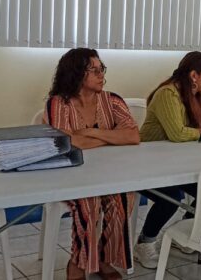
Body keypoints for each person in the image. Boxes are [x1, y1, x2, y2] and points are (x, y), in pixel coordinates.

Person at [45, 48, 140, 280]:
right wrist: (110, 137)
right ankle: (78, 264)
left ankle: (104, 260)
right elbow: (67, 143)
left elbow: (132, 136)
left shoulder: (112, 100)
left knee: (124, 198)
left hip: (107, 173)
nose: (101, 75)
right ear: (76, 73)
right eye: (94, 70)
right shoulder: (58, 103)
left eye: (101, 69)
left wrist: (90, 132)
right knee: (90, 202)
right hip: (70, 174)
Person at [134, 51, 201, 269]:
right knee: (171, 196)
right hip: (148, 163)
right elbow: (177, 134)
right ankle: (144, 242)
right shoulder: (168, 93)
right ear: (194, 75)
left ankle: (186, 233)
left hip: (179, 162)